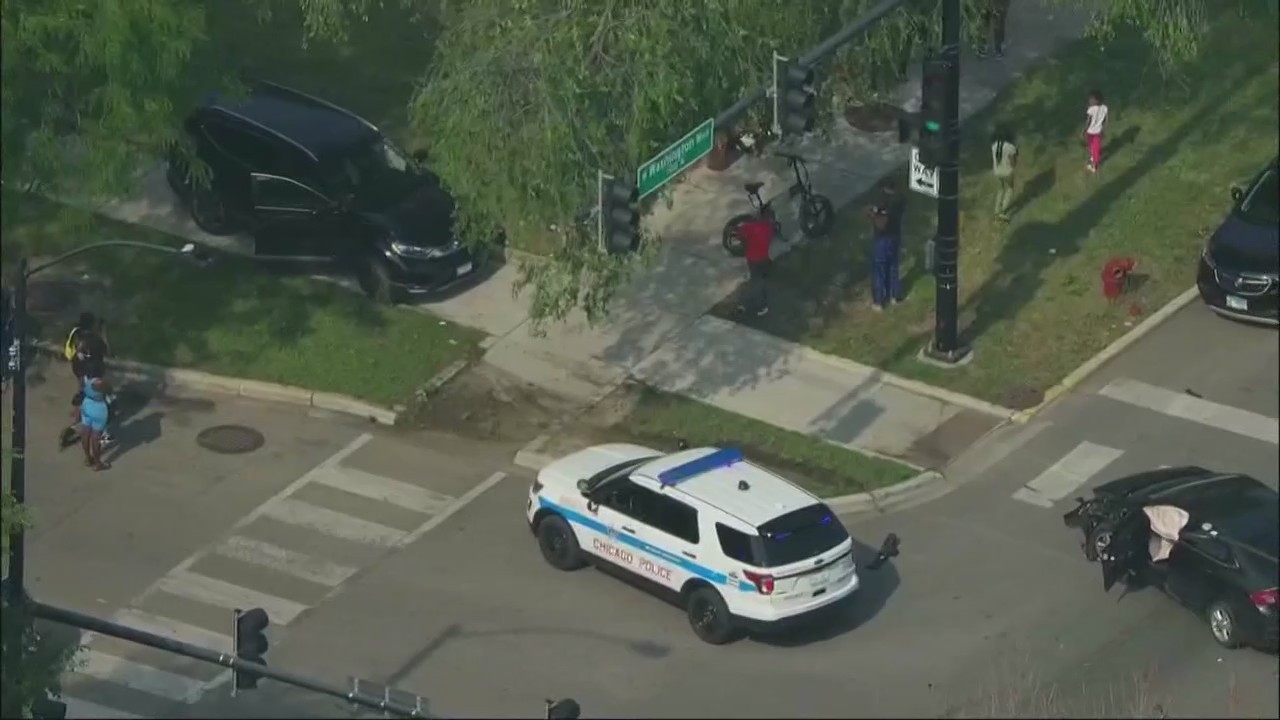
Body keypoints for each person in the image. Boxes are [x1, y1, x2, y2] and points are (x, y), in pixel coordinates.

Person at [737, 217, 774, 317]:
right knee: (758, 282)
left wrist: (745, 242)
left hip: (752, 259)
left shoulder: (748, 227)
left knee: (755, 280)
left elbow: (740, 234)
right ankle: (759, 305)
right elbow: (769, 240)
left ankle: (744, 303)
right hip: (763, 258)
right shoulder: (768, 227)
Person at [76, 373, 112, 471]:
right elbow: (109, 391)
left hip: (86, 404)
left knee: (85, 433)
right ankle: (98, 463)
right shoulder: (100, 383)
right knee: (96, 438)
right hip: (98, 408)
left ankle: (88, 458)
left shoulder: (84, 379)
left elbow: (81, 390)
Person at [869, 207, 902, 311]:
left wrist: (873, 215)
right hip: (894, 237)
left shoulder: (881, 202)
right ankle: (894, 295)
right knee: (892, 267)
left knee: (879, 270)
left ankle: (879, 301)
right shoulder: (898, 198)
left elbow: (881, 225)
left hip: (882, 240)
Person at [991, 126, 1018, 221]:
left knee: (1000, 189)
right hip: (1007, 172)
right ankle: (1002, 211)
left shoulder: (994, 146)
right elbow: (1013, 162)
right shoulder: (1011, 147)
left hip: (997, 171)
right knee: (1010, 188)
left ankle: (996, 210)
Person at [1084, 90, 1109, 173]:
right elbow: (1106, 120)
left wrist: (1085, 129)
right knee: (1096, 146)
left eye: (1091, 99)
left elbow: (1088, 121)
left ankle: (1094, 165)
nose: (1090, 101)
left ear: (1096, 100)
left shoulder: (1090, 109)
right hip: (1099, 131)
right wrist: (1104, 129)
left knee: (1092, 146)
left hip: (1091, 132)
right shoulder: (1105, 108)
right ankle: (1094, 157)